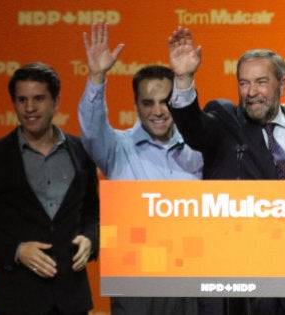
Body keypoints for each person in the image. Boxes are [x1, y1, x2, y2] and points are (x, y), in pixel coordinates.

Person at [167, 26, 285, 315]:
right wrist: (183, 79)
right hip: (238, 274)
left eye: (261, 82)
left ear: (282, 84)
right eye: (243, 83)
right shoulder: (224, 120)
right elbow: (195, 130)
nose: (251, 92)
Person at [78, 22, 203, 314]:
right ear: (136, 105)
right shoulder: (116, 149)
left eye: (165, 102)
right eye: (148, 103)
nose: (157, 111)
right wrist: (97, 77)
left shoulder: (198, 151)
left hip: (190, 281)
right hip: (135, 285)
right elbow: (91, 128)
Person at [0, 62, 100, 315]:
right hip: (14, 298)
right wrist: (16, 250)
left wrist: (92, 240)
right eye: (21, 100)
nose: (29, 108)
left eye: (38, 99)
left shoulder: (82, 152)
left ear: (56, 102)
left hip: (71, 298)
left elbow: (94, 212)